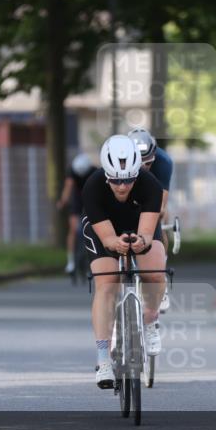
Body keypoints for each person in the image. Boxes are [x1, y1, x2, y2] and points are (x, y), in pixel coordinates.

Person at [82, 135, 166, 388]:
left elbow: (148, 233)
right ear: (106, 174)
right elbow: (107, 239)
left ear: (137, 172)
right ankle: (103, 359)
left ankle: (150, 319)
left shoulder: (150, 184)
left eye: (128, 179)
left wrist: (142, 242)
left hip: (139, 225)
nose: (122, 186)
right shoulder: (93, 186)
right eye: (116, 180)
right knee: (107, 284)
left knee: (155, 272)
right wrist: (114, 243)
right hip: (104, 229)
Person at [127, 127, 173, 238]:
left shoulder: (163, 162)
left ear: (154, 154)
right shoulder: (122, 158)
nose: (143, 168)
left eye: (147, 163)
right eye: (138, 164)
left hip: (154, 184)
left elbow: (160, 205)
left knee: (159, 217)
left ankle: (162, 253)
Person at [56, 153, 98, 274]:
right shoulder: (72, 171)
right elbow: (68, 187)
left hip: (90, 201)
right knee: (73, 230)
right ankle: (71, 261)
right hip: (77, 202)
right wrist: (63, 202)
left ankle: (93, 259)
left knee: (94, 230)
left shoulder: (93, 171)